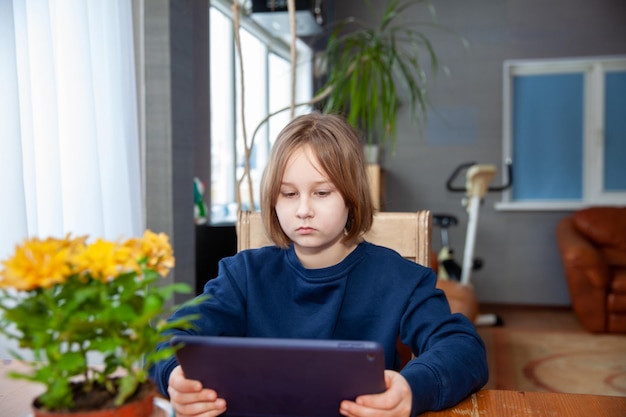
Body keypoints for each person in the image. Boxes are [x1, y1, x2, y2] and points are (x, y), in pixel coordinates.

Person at [148, 112, 488, 417]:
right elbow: (168, 339)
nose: (303, 210)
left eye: (322, 193)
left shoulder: (400, 279)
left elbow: (463, 348)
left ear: (351, 197)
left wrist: (412, 390)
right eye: (289, 194)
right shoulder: (243, 276)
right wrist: (174, 375)